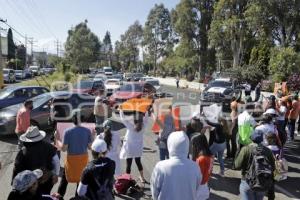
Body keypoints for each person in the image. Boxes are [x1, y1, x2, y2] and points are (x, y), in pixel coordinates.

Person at [150, 131, 202, 200]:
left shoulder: (161, 166)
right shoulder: (195, 167)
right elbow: (197, 188)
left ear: (170, 145)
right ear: (186, 145)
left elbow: (154, 190)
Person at [12, 126, 60, 195]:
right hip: (46, 179)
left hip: (29, 184)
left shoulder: (23, 151)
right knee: (45, 195)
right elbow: (56, 161)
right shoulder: (48, 146)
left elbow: (16, 167)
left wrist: (15, 183)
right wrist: (56, 174)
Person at [57, 115, 92, 198]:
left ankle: (58, 197)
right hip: (83, 160)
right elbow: (90, 147)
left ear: (73, 121)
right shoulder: (87, 131)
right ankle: (77, 198)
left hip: (71, 161)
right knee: (80, 181)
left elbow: (64, 149)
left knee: (64, 181)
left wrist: (57, 140)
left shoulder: (67, 131)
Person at [233, 130, 275, 200]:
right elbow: (273, 168)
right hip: (262, 182)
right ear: (262, 139)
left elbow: (237, 165)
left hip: (248, 181)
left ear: (251, 138)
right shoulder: (268, 151)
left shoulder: (245, 149)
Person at [119, 110, 148, 183]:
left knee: (128, 164)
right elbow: (146, 119)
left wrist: (121, 110)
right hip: (138, 148)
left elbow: (123, 118)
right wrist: (146, 111)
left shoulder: (130, 126)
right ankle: (142, 178)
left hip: (130, 148)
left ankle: (127, 179)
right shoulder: (143, 125)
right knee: (138, 162)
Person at [192, 134, 214, 200]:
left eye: (193, 144)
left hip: (199, 189)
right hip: (205, 185)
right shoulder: (210, 155)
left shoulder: (201, 159)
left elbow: (197, 177)